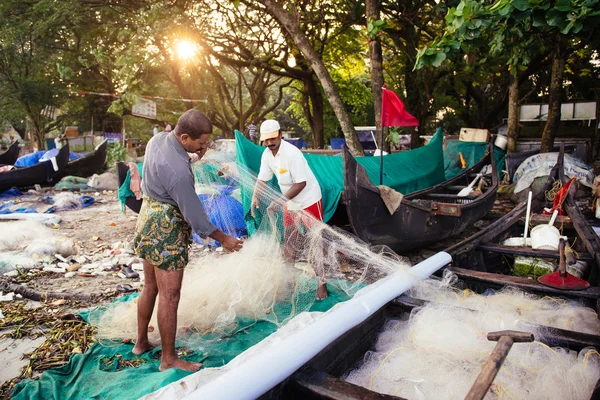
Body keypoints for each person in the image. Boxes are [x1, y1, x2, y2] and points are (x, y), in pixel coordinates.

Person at [132, 110, 243, 372]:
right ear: (184, 137)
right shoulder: (179, 173)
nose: (204, 148)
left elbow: (171, 165)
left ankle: (140, 342)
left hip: (147, 217)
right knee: (170, 295)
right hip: (166, 228)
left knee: (150, 286)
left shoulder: (157, 139)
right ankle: (168, 359)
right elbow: (196, 218)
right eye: (201, 143)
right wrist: (224, 238)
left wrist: (193, 155)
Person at [250, 119, 327, 300]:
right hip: (290, 202)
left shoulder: (292, 154)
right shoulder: (267, 155)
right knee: (289, 244)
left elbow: (301, 183)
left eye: (273, 138)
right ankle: (289, 282)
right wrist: (255, 197)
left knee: (315, 243)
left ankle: (322, 284)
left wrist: (280, 200)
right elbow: (262, 180)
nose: (270, 143)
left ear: (280, 135)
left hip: (308, 200)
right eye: (266, 140)